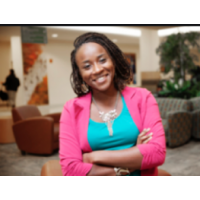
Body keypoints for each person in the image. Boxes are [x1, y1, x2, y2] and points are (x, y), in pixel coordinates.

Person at [59, 32, 166, 176]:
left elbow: (157, 153)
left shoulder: (143, 97)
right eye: (87, 66)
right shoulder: (71, 109)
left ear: (113, 60)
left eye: (102, 60)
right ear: (80, 74)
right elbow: (71, 170)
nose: (97, 70)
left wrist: (93, 157)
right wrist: (132, 160)